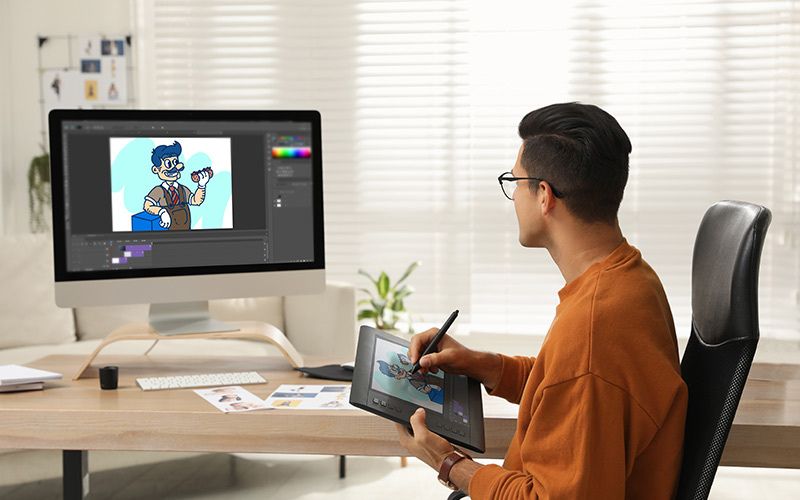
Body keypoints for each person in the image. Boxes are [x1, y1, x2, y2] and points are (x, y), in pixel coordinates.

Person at [396, 102, 688, 499]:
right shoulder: (630, 279)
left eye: (515, 182)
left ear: (544, 196)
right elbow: (571, 387)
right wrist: (485, 366)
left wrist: (450, 463)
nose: (514, 196)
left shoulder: (591, 327)